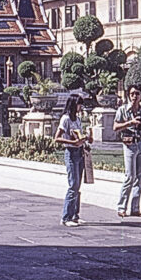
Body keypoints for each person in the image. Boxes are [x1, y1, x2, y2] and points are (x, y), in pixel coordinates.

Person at [114, 84, 141, 218]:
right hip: (129, 145)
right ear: (128, 95)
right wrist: (130, 123)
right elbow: (115, 127)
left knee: (139, 178)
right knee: (129, 177)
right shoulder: (123, 110)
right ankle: (121, 207)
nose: (134, 97)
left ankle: (135, 208)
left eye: (137, 94)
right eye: (132, 94)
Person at [54, 94, 91, 227]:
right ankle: (66, 216)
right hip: (70, 152)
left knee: (77, 185)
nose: (81, 107)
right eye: (79, 104)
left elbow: (78, 135)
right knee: (73, 184)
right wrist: (72, 142)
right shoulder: (66, 119)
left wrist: (85, 139)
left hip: (79, 152)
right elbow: (57, 138)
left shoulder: (78, 120)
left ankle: (75, 214)